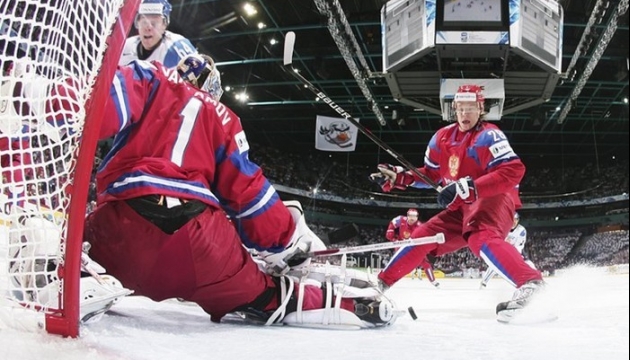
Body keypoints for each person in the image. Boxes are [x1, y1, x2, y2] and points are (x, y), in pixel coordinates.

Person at [81, 53, 397, 329]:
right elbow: (249, 195)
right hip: (199, 245)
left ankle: (64, 273)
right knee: (266, 293)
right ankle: (341, 305)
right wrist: (286, 242)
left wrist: (53, 101)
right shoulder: (224, 117)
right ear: (215, 90)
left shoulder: (149, 75)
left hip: (117, 230)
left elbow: (98, 108)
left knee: (74, 254)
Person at [369, 84, 548, 322]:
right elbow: (431, 176)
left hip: (493, 200)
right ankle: (380, 284)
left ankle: (531, 283)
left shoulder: (489, 135)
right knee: (424, 235)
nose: (465, 114)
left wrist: (468, 187)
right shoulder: (441, 138)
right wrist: (402, 176)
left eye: (471, 108)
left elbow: (513, 170)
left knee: (479, 237)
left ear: (481, 108)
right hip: (462, 206)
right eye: (460, 108)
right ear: (454, 108)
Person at [119, 0, 198, 69]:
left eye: (154, 23)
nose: (148, 28)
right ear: (138, 23)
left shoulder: (177, 48)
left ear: (164, 25)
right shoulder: (124, 47)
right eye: (144, 22)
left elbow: (200, 81)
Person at [480, 212, 537, 288]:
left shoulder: (521, 230)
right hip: (503, 250)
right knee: (495, 264)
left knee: (530, 265)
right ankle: (483, 283)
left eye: (516, 220)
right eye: (512, 220)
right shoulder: (501, 228)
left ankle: (536, 280)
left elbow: (519, 246)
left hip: (517, 251)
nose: (514, 222)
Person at [386, 209, 440, 288]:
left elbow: (425, 238)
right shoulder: (401, 219)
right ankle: (386, 279)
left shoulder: (420, 226)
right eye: (410, 216)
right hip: (401, 244)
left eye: (414, 216)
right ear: (407, 216)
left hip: (413, 247)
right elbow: (392, 223)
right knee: (396, 262)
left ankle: (433, 281)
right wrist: (390, 231)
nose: (412, 218)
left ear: (417, 217)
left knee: (425, 263)